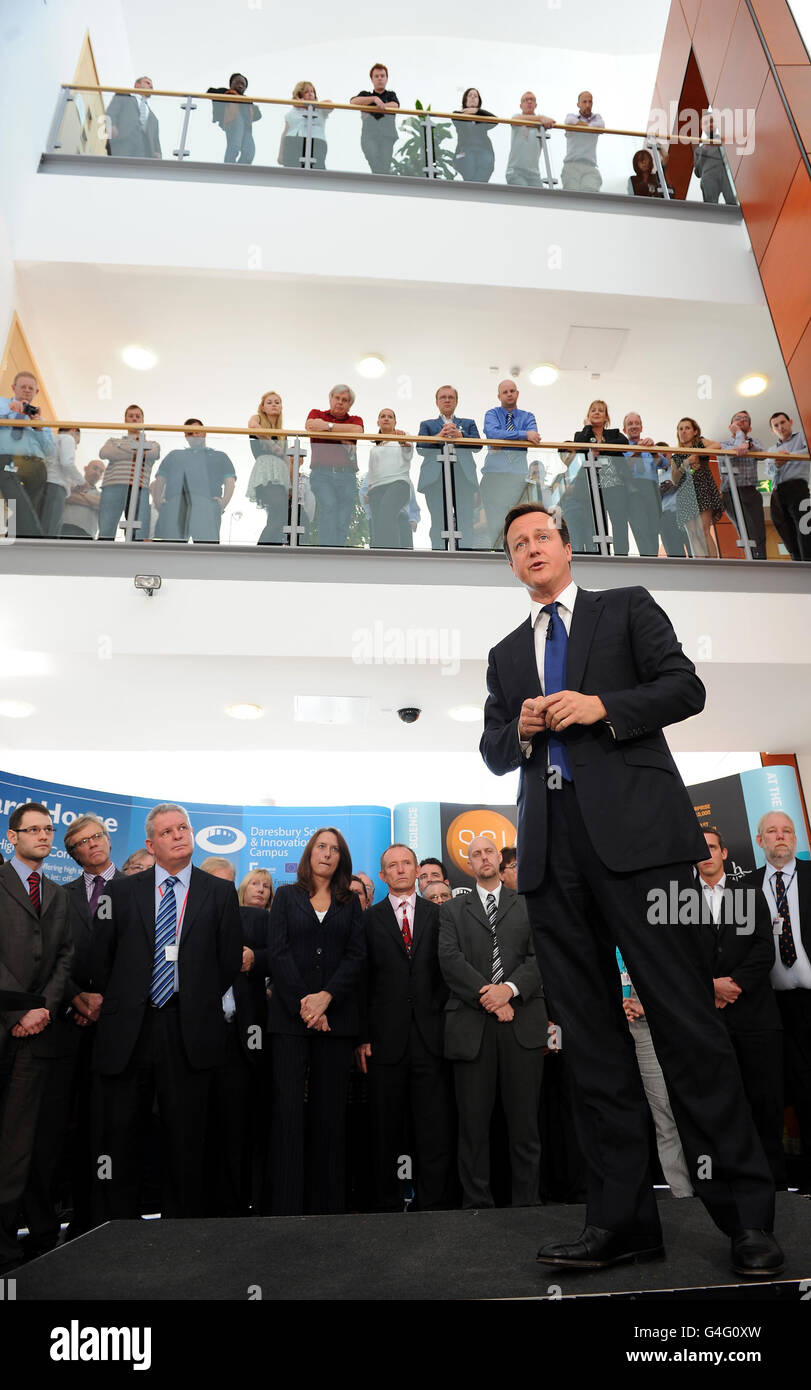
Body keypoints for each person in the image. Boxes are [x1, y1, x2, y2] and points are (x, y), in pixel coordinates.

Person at [479, 500, 782, 1276]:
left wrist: (601, 707)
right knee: (591, 1051)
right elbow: (490, 751)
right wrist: (519, 730)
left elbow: (685, 689)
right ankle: (622, 1223)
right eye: (516, 545)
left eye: (540, 536)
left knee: (688, 1029)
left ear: (567, 546)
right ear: (510, 565)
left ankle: (746, 1218)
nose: (530, 549)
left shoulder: (625, 609)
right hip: (552, 863)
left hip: (644, 850)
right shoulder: (506, 653)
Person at [88, 803, 242, 1219]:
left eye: (184, 828)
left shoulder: (220, 891)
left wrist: (193, 997)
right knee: (122, 1134)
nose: (179, 835)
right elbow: (101, 959)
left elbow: (227, 961)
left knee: (187, 1135)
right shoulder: (121, 892)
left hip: (188, 1027)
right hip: (130, 1030)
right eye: (169, 831)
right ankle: (117, 1224)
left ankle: (182, 1230)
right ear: (150, 843)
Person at [22, 816, 121, 1254]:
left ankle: (101, 1222)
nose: (91, 846)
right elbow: (50, 959)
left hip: (120, 1030)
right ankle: (45, 1232)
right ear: (72, 852)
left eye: (96, 837)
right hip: (63, 1029)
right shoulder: (57, 896)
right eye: (80, 843)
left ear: (107, 839)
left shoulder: (141, 888)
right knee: (52, 1132)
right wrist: (77, 998)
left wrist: (106, 1004)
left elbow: (146, 959)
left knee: (109, 1132)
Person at [438, 834, 546, 1208]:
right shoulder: (452, 909)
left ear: (500, 859)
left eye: (489, 852)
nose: (483, 858)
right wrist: (492, 995)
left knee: (525, 1128)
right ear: (468, 864)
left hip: (522, 1026)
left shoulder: (529, 903)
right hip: (472, 1030)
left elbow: (540, 958)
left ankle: (527, 1206)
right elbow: (450, 962)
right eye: (475, 854)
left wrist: (510, 990)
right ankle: (476, 1207)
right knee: (472, 1128)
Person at [267, 827, 365, 1214]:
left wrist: (326, 999)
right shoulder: (286, 896)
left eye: (335, 849)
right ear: (309, 853)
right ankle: (286, 1208)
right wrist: (306, 1006)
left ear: (342, 858)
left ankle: (329, 1209)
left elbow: (357, 957)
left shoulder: (350, 903)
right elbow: (278, 953)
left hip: (336, 1020)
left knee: (330, 1117)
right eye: (321, 847)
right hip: (291, 1022)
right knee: (288, 1115)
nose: (327, 854)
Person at [356, 844, 453, 1212]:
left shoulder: (439, 914)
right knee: (384, 1127)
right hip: (384, 1040)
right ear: (382, 876)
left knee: (434, 1125)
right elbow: (361, 981)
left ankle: (435, 1202)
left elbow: (447, 973)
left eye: (406, 864)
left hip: (431, 1037)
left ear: (417, 871)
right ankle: (386, 1202)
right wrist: (363, 1036)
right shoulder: (368, 919)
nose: (400, 870)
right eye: (392, 866)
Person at [0, 804, 73, 1273]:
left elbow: (65, 956)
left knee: (25, 1146)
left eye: (49, 829)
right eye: (34, 830)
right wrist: (18, 1009)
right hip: (6, 1024)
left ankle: (16, 1244)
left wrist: (44, 1006)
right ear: (12, 837)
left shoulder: (57, 893)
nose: (44, 836)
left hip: (41, 1035)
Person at [696, 828, 785, 1187]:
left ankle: (776, 1183)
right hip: (708, 1021)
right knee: (721, 1105)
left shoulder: (748, 893)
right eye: (700, 850)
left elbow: (765, 947)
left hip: (756, 1016)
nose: (707, 855)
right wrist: (710, 988)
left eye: (713, 848)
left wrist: (734, 985)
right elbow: (679, 958)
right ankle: (731, 1181)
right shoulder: (679, 899)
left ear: (724, 853)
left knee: (765, 1102)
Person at [200, 857, 269, 1215]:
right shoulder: (183, 922)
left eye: (228, 884)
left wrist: (255, 957)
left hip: (241, 1041)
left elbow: (282, 956)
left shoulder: (254, 920)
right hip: (195, 1038)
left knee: (238, 1128)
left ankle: (239, 1205)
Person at [757, 811, 811, 1191]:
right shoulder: (743, 889)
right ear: (759, 840)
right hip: (765, 1006)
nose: (781, 837)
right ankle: (773, 1181)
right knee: (769, 1092)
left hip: (810, 1002)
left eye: (788, 831)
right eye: (773, 832)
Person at [617, 950, 693, 1198]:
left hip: (647, 1030)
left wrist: (644, 1006)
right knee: (615, 1120)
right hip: (608, 1035)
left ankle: (681, 1193)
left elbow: (677, 985)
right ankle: (622, 1198)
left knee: (665, 1116)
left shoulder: (648, 929)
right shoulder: (594, 934)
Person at [417, 384, 481, 550]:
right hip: (435, 476)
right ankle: (438, 553)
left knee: (465, 518)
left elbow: (478, 446)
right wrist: (439, 436)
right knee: (438, 519)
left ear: (456, 401)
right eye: (443, 397)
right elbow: (420, 448)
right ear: (436, 402)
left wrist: (461, 436)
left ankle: (466, 554)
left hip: (462, 475)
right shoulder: (427, 424)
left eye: (450, 397)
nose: (447, 400)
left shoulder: (468, 423)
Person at [563, 400, 630, 554]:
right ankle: (603, 554)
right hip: (592, 488)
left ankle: (622, 555)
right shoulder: (582, 434)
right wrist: (587, 427)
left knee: (619, 523)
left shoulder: (614, 434)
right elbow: (579, 444)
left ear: (606, 417)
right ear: (588, 415)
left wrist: (600, 446)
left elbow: (624, 442)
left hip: (615, 485)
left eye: (601, 410)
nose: (597, 412)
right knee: (599, 525)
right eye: (593, 410)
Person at [152, 419, 235, 543]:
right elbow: (160, 478)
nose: (195, 435)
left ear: (205, 433)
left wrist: (223, 503)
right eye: (190, 433)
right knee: (172, 550)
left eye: (198, 431)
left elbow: (230, 481)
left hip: (207, 505)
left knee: (206, 550)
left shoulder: (220, 456)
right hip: (176, 505)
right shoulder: (174, 455)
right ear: (186, 436)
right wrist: (158, 501)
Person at [480, 380, 539, 548]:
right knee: (495, 523)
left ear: (517, 393)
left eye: (512, 390)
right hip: (494, 476)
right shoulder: (491, 414)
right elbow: (492, 433)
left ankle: (516, 554)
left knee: (517, 522)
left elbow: (534, 436)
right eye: (505, 392)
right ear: (499, 396)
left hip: (517, 477)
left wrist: (503, 439)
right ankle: (499, 555)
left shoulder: (528, 416)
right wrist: (523, 434)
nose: (509, 394)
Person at [305, 385, 363, 547]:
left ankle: (338, 551)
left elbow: (357, 430)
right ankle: (327, 551)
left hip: (347, 476)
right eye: (337, 398)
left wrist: (328, 427)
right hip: (322, 474)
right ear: (330, 398)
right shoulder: (317, 413)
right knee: (329, 507)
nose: (340, 402)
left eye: (344, 400)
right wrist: (343, 437)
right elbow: (311, 425)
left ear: (350, 404)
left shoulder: (355, 419)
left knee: (344, 517)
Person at [0, 371, 55, 530]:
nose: (26, 390)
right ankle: (36, 536)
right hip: (8, 463)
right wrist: (10, 411)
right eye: (22, 386)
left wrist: (38, 428)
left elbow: (50, 450)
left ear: (36, 392)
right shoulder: (2, 404)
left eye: (31, 388)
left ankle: (20, 537)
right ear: (13, 388)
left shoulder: (40, 420)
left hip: (35, 468)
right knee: (21, 506)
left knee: (26, 510)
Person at [98, 404, 160, 541]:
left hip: (139, 488)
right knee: (106, 530)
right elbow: (105, 453)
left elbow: (153, 454)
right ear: (125, 420)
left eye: (138, 416)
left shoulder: (153, 444)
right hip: (112, 487)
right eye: (131, 416)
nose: (134, 419)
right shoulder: (112, 441)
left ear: (142, 420)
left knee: (139, 533)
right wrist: (139, 451)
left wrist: (121, 449)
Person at [246, 391, 297, 546]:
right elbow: (253, 426)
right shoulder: (258, 418)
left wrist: (290, 485)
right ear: (262, 407)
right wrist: (272, 445)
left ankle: (270, 548)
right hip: (266, 471)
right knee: (278, 512)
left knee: (279, 515)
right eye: (269, 402)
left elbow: (286, 459)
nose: (274, 404)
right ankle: (261, 550)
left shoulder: (283, 432)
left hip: (280, 474)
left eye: (277, 402)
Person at [670, 416, 723, 558]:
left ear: (694, 431)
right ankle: (701, 565)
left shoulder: (700, 442)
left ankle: (714, 565)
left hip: (702, 489)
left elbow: (718, 445)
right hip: (685, 494)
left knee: (703, 530)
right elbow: (674, 479)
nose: (683, 431)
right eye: (680, 429)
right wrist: (686, 463)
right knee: (692, 533)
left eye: (687, 428)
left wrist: (697, 454)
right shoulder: (676, 456)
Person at [720, 409, 767, 560]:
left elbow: (761, 453)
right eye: (737, 419)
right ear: (730, 426)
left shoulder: (755, 442)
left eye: (745, 419)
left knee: (758, 532)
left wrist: (746, 442)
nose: (741, 421)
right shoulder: (723, 444)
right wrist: (741, 438)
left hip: (751, 492)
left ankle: (761, 564)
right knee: (745, 531)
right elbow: (731, 454)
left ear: (750, 428)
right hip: (731, 493)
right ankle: (751, 562)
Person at [366, 408, 413, 549]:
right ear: (378, 422)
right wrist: (369, 489)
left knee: (387, 512)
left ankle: (393, 554)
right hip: (376, 488)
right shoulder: (374, 448)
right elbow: (372, 471)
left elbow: (408, 452)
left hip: (398, 483)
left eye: (390, 417)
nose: (386, 418)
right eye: (383, 416)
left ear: (395, 422)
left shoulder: (403, 436)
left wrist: (403, 441)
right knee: (378, 523)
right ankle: (380, 557)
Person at [768, 410, 810, 562]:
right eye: (776, 425)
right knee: (783, 527)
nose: (780, 427)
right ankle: (796, 561)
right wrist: (777, 464)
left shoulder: (802, 437)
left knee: (805, 528)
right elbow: (769, 470)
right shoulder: (771, 450)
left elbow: (808, 452)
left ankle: (808, 562)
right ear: (773, 431)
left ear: (790, 422)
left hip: (798, 488)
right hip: (777, 491)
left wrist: (788, 457)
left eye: (783, 422)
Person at [621, 413, 663, 556]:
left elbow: (663, 464)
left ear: (641, 427)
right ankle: (647, 559)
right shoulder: (621, 448)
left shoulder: (650, 446)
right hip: (634, 491)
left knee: (654, 528)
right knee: (640, 528)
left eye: (636, 423)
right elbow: (623, 468)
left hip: (652, 489)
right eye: (630, 424)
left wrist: (654, 451)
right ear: (624, 430)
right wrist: (637, 451)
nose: (634, 426)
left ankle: (654, 559)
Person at [350, 64, 399, 175]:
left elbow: (395, 106)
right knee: (372, 156)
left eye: (382, 76)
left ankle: (380, 185)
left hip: (387, 136)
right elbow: (353, 102)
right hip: (369, 135)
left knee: (384, 165)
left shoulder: (391, 95)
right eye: (376, 76)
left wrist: (372, 109)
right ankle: (381, 184)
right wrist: (374, 99)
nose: (380, 78)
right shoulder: (366, 95)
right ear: (372, 79)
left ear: (386, 78)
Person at [40, 427, 84, 538]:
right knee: (51, 528)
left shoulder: (52, 440)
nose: (76, 447)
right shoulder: (68, 438)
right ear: (74, 431)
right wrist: (82, 482)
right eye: (77, 442)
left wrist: (70, 485)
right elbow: (66, 463)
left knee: (46, 524)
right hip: (56, 487)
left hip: (48, 484)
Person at [506, 92, 555, 187]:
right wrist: (540, 118)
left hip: (534, 174)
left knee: (540, 200)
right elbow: (515, 119)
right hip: (516, 171)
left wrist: (542, 120)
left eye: (532, 100)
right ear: (521, 105)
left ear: (536, 104)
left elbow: (551, 122)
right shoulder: (518, 118)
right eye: (525, 100)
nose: (529, 102)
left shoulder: (541, 124)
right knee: (524, 197)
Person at [106, 77, 161, 158]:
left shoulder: (154, 119)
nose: (151, 86)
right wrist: (111, 126)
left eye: (152, 86)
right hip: (123, 142)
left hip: (144, 151)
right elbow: (111, 112)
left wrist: (158, 152)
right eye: (147, 83)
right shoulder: (124, 96)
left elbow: (156, 140)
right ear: (137, 84)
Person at [279, 81, 329, 170]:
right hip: (293, 142)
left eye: (312, 91)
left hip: (316, 142)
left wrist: (309, 104)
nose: (310, 94)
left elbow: (330, 103)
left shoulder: (320, 109)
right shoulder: (291, 113)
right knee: (291, 172)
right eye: (306, 92)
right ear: (299, 95)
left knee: (318, 172)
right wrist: (280, 154)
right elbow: (285, 133)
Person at [561, 90, 604, 192]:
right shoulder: (572, 116)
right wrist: (590, 127)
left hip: (590, 166)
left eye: (590, 102)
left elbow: (601, 126)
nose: (588, 105)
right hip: (572, 165)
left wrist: (580, 125)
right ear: (578, 104)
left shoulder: (597, 118)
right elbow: (569, 121)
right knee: (572, 198)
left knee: (591, 198)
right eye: (584, 102)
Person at [214, 74, 261, 165]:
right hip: (233, 121)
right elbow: (210, 92)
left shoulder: (247, 100)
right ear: (231, 84)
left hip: (247, 126)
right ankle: (228, 170)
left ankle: (240, 171)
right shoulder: (225, 93)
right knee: (234, 146)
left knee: (249, 152)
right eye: (237, 83)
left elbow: (258, 115)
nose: (240, 85)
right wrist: (228, 94)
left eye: (243, 84)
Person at [452, 88, 497, 183]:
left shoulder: (482, 117)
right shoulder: (458, 114)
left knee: (487, 162)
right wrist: (468, 112)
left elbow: (495, 120)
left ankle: (475, 192)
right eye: (470, 95)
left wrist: (476, 111)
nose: (473, 97)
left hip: (483, 151)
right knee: (469, 171)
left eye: (475, 96)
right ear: (465, 100)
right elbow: (455, 118)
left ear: (479, 101)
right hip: (465, 151)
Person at [693, 113, 736, 204]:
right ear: (702, 127)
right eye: (706, 123)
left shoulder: (726, 142)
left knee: (733, 202)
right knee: (710, 205)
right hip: (708, 177)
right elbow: (698, 173)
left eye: (712, 121)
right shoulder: (699, 150)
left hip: (726, 174)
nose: (709, 124)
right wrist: (704, 150)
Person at [655, 443, 689, 557]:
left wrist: (676, 484)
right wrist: (660, 491)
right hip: (666, 517)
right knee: (674, 554)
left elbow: (693, 474)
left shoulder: (681, 467)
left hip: (684, 513)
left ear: (671, 453)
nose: (663, 456)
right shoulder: (654, 476)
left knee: (693, 548)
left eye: (665, 453)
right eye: (659, 454)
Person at [60, 458, 105, 539]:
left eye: (101, 472)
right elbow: (66, 497)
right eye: (95, 468)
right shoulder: (71, 483)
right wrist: (91, 502)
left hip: (87, 535)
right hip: (64, 529)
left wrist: (78, 493)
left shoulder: (102, 495)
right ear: (85, 468)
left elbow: (101, 504)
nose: (97, 473)